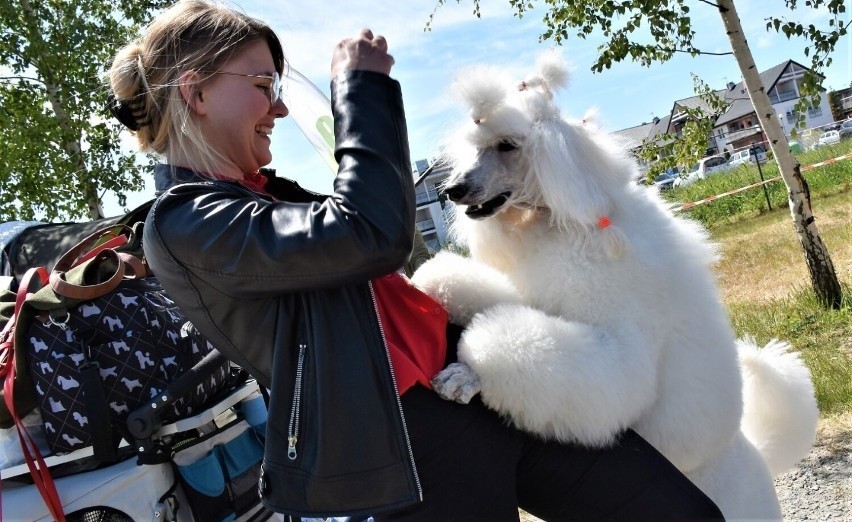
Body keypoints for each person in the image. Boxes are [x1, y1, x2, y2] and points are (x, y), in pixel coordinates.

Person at [109, 1, 724, 520]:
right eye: (263, 85)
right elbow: (370, 231)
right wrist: (361, 90)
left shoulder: (258, 195)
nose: (280, 107)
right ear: (195, 91)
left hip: (481, 385)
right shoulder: (185, 223)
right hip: (418, 443)